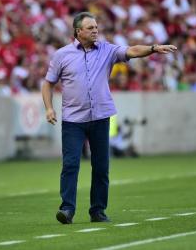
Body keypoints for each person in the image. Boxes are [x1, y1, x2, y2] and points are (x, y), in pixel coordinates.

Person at [41, 12, 177, 224]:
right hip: (73, 121)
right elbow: (48, 83)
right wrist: (49, 108)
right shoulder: (62, 55)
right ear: (78, 32)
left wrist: (152, 48)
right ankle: (67, 209)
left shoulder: (107, 49)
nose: (95, 30)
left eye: (96, 26)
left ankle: (97, 211)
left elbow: (131, 50)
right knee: (70, 165)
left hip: (101, 118)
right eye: (90, 28)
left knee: (101, 167)